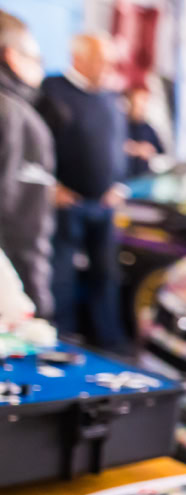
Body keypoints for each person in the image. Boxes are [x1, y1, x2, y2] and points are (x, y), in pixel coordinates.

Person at [40, 33, 129, 352]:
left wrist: (118, 184)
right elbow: (36, 143)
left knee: (106, 275)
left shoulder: (110, 97)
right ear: (78, 58)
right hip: (67, 204)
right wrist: (50, 186)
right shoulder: (51, 91)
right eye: (102, 60)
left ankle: (109, 342)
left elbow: (118, 145)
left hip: (104, 204)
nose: (109, 67)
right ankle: (62, 341)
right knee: (61, 276)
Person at [0, 11, 54, 320]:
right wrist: (36, 306)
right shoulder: (15, 117)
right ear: (12, 57)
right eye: (37, 59)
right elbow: (21, 228)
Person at [124, 85, 163, 178]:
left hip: (144, 177)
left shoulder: (148, 128)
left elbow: (159, 153)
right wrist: (136, 149)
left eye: (145, 101)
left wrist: (150, 152)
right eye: (139, 101)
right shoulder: (121, 126)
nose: (142, 106)